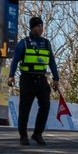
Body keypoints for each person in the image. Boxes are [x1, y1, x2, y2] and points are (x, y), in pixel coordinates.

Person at [9, 15, 60, 146]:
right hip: (27, 79)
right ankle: (23, 136)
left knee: (45, 106)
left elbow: (52, 62)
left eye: (42, 26)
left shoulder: (46, 43)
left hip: (42, 79)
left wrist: (56, 78)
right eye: (38, 26)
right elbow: (15, 61)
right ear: (32, 28)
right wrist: (11, 76)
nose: (41, 28)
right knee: (24, 108)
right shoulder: (24, 43)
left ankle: (37, 133)